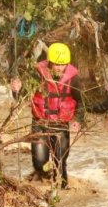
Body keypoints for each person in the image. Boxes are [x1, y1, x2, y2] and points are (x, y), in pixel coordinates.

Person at [11, 42, 83, 189]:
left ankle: (61, 191)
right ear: (50, 62)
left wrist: (78, 120)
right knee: (39, 163)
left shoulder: (74, 79)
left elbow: (80, 102)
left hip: (61, 125)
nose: (59, 68)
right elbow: (22, 95)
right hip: (40, 123)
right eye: (56, 64)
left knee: (60, 163)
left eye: (62, 64)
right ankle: (42, 185)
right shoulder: (37, 74)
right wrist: (16, 89)